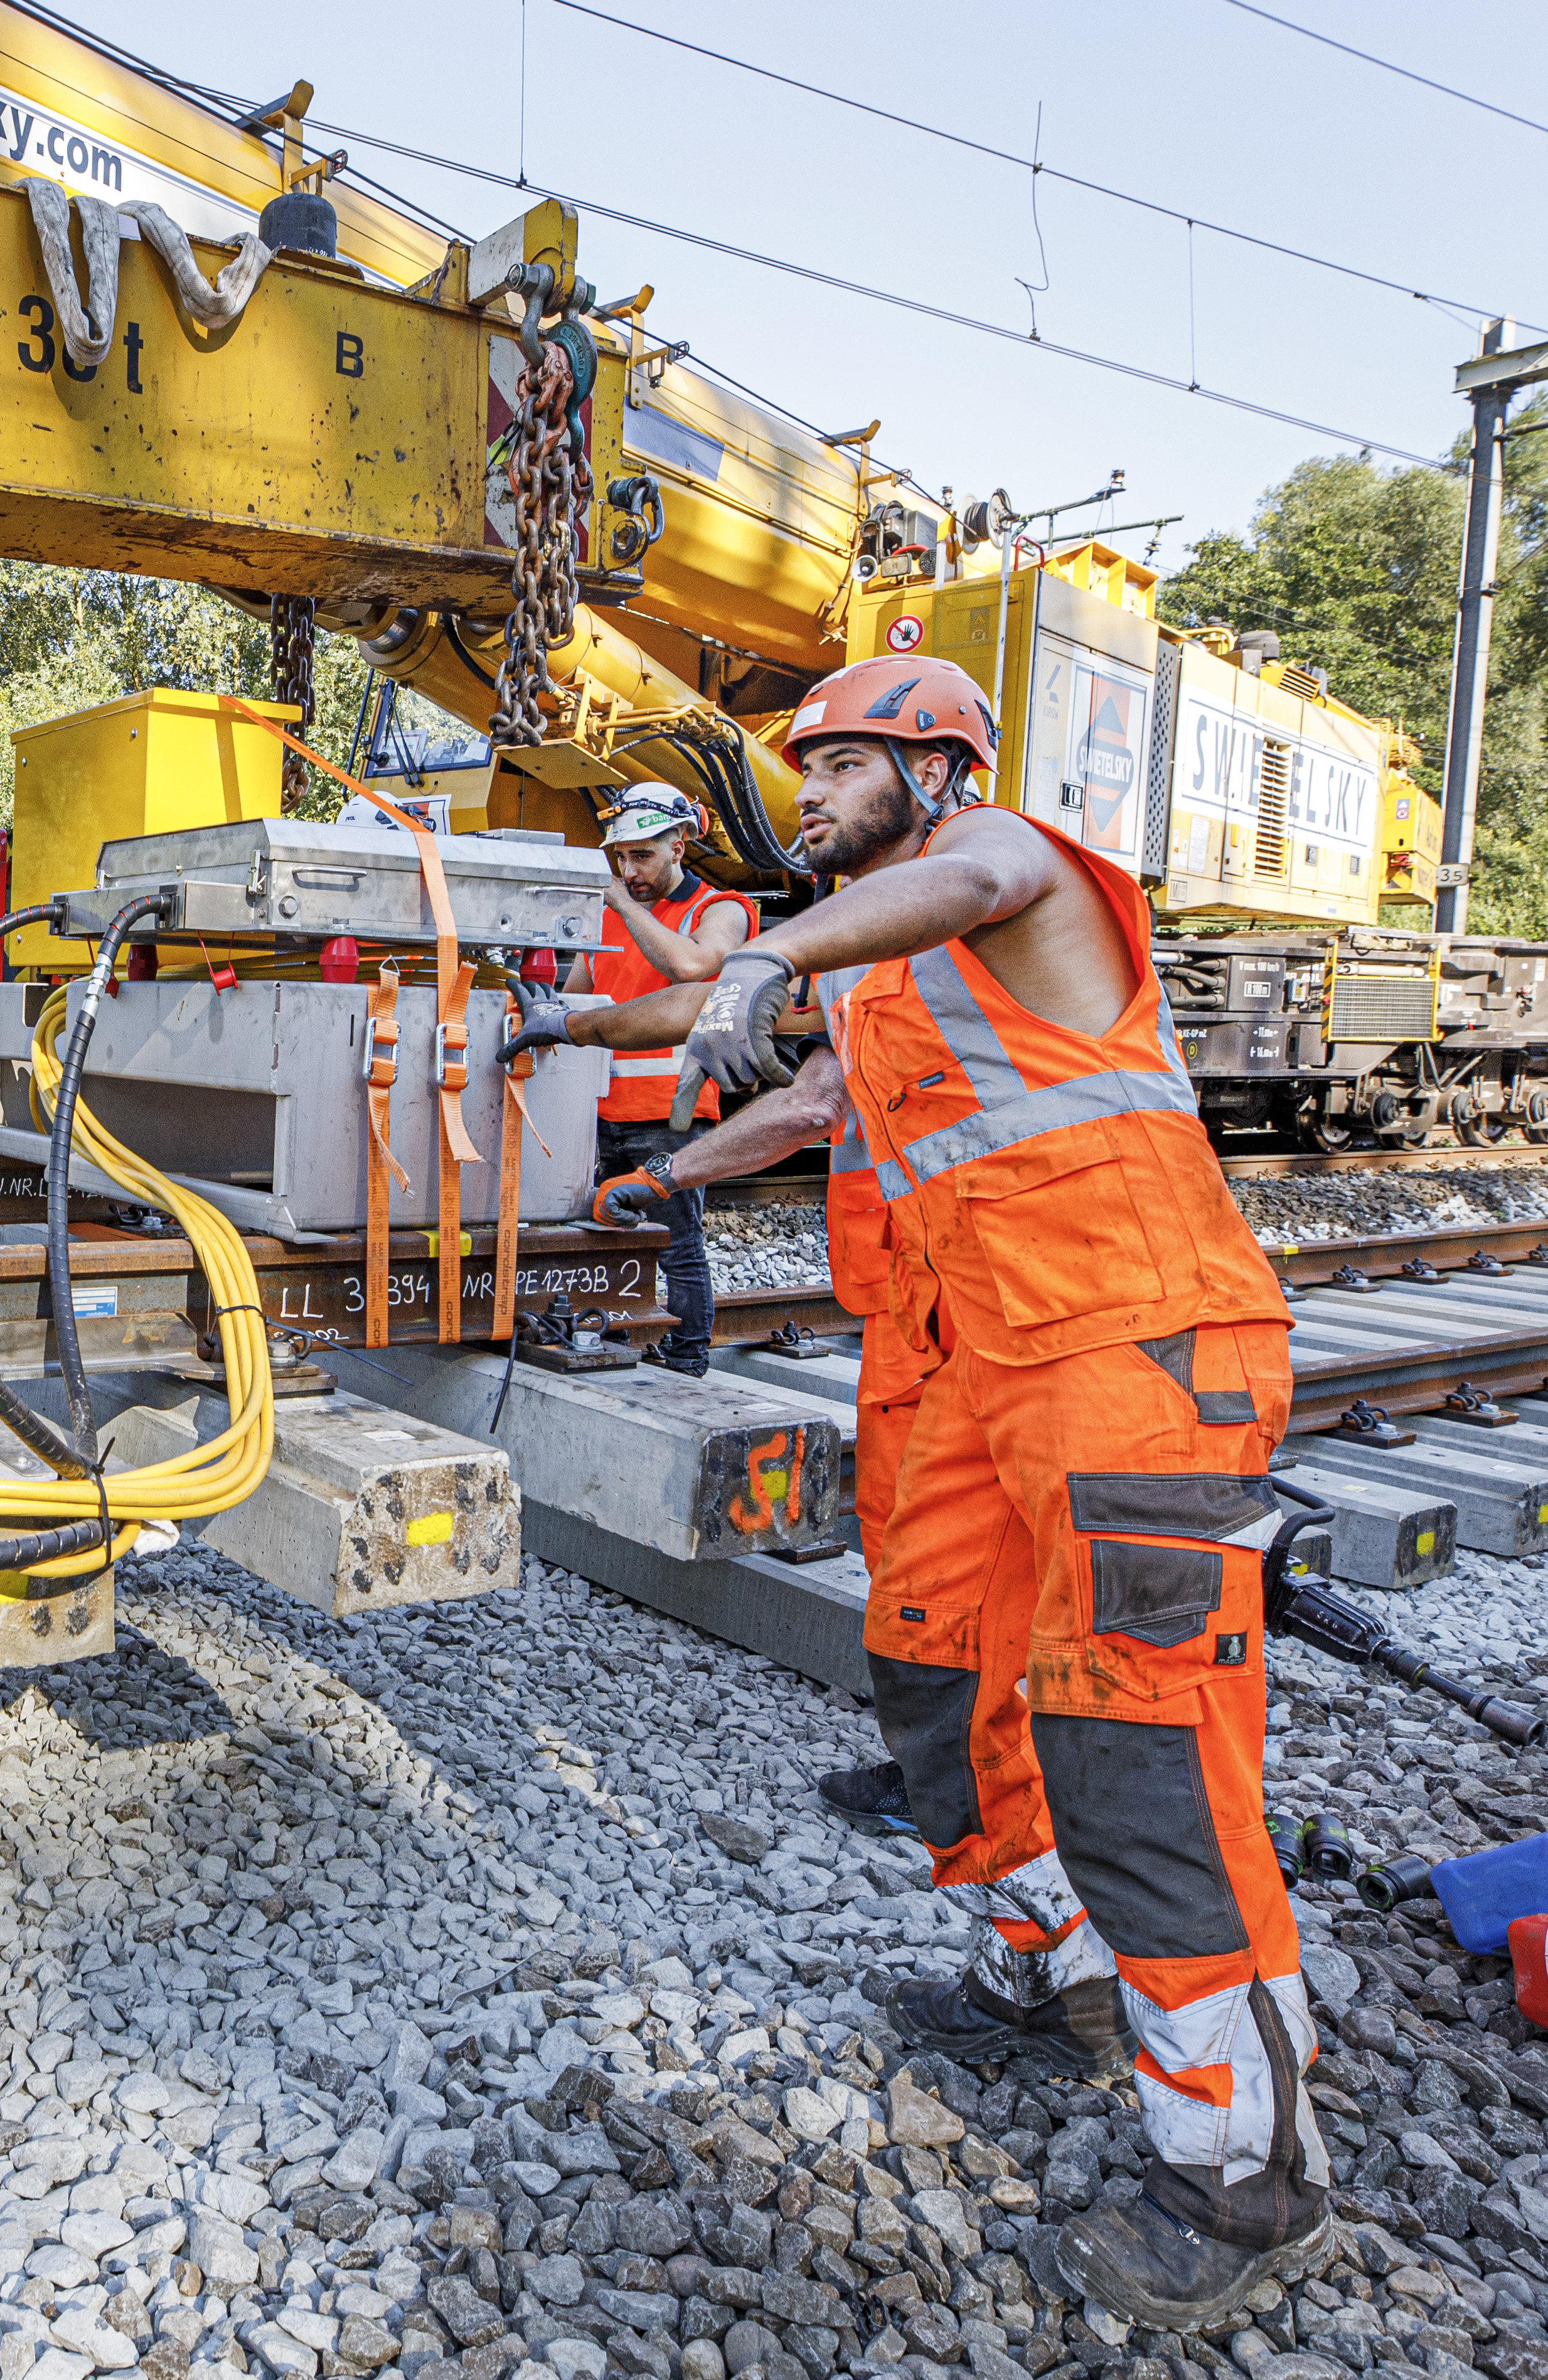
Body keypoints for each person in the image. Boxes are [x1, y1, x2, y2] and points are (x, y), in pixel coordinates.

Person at [506, 655, 1326, 2330]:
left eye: (839, 766)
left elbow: (957, 884)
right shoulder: (880, 975)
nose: (800, 794)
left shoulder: (1004, 867)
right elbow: (799, 1089)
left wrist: (764, 960)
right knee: (940, 1690)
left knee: (1138, 1760)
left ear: (935, 766)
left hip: (1133, 1353)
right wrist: (591, 1050)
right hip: (977, 1367)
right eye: (797, 770)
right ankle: (1056, 1975)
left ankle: (1243, 2181)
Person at [577, 788, 755, 1375]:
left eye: (642, 856)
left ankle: (687, 1358)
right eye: (620, 858)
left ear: (678, 846)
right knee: (598, 1234)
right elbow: (573, 999)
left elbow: (692, 967)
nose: (629, 872)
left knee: (678, 1245)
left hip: (670, 1116)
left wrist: (624, 908)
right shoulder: (606, 914)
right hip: (599, 1111)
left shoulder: (719, 908)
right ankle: (610, 1336)